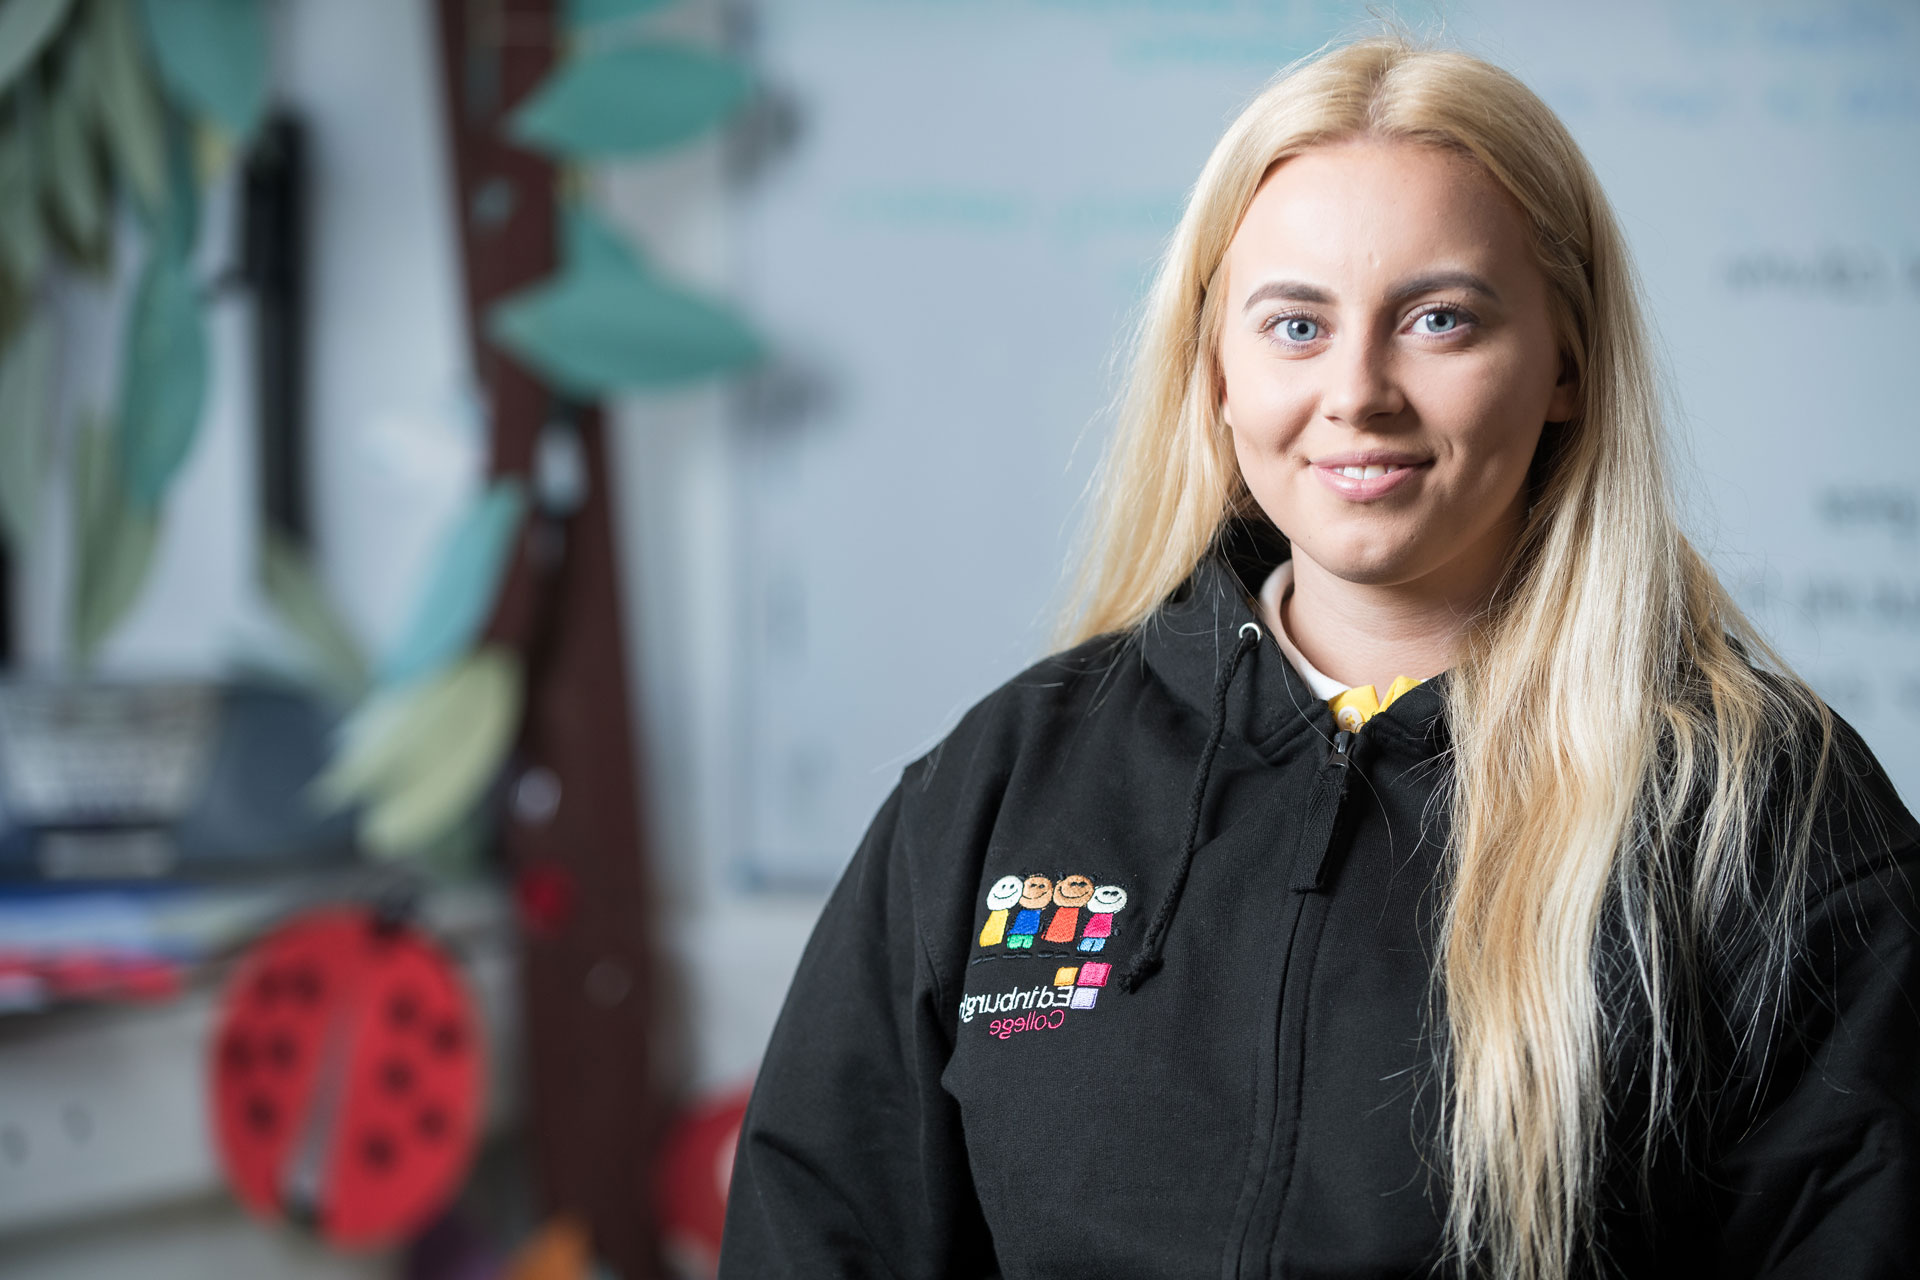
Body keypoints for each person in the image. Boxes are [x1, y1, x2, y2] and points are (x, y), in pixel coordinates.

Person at [717, 34, 1920, 1280]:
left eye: (1439, 318)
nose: (1357, 390)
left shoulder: (1766, 822)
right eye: (1295, 324)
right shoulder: (1003, 791)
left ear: (1566, 361)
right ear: (1217, 369)